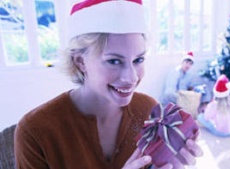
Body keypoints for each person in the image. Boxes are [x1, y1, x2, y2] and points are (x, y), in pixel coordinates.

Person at [14, 0, 202, 169]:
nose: (131, 78)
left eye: (138, 60)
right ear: (80, 61)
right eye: (114, 61)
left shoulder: (148, 109)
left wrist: (169, 163)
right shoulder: (35, 132)